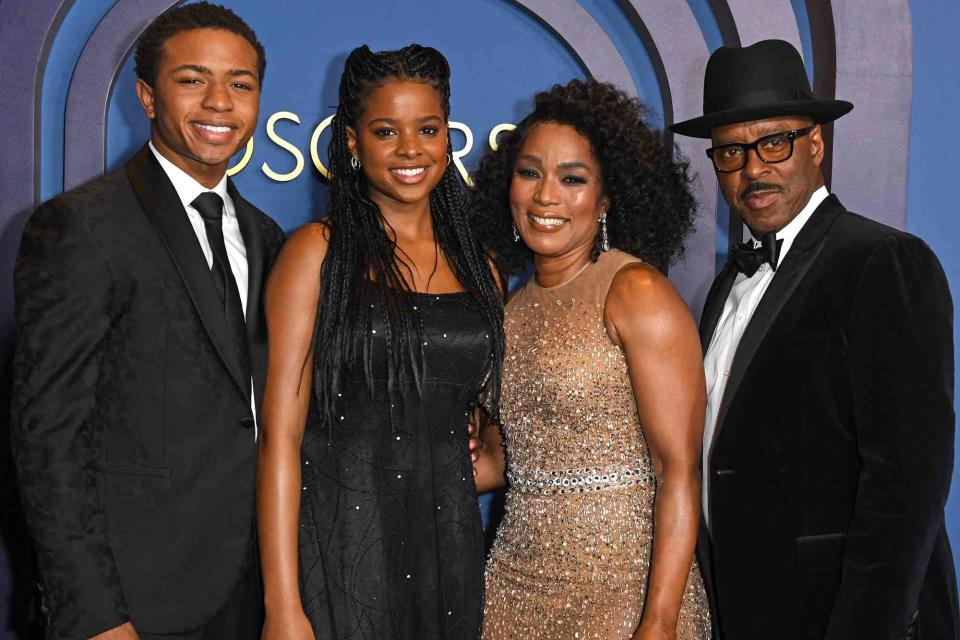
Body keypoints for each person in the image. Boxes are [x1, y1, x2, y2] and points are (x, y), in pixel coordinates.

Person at [669, 39, 959, 639]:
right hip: (743, 612)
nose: (753, 170)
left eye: (773, 142)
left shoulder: (884, 262)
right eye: (730, 152)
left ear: (817, 143)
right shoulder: (728, 284)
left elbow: (906, 485)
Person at [10, 3, 284, 639]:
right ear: (147, 96)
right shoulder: (83, 226)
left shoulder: (267, 237)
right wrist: (94, 614)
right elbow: (48, 438)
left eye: (240, 84)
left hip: (251, 592)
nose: (220, 102)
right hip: (133, 603)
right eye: (193, 79)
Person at [257, 44, 505, 640]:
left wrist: (476, 456)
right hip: (341, 547)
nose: (410, 150)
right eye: (385, 131)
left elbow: (487, 413)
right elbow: (280, 441)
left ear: (449, 136)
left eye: (428, 128)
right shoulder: (316, 253)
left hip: (447, 549)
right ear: (351, 140)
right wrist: (283, 606)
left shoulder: (482, 266)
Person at [470, 78, 711, 640]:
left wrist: (660, 620)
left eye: (572, 179)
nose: (545, 196)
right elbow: (505, 464)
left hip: (624, 594)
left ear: (607, 198)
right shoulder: (509, 309)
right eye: (530, 173)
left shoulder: (635, 292)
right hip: (513, 589)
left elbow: (677, 468)